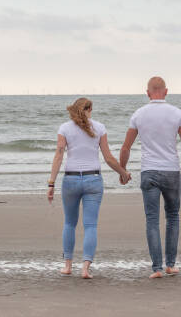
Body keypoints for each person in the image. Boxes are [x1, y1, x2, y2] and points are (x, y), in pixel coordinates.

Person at [120, 77, 181, 278]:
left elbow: (126, 147)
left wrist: (122, 170)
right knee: (172, 217)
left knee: (152, 220)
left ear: (148, 93)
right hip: (171, 171)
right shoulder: (177, 113)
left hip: (149, 172)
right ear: (166, 91)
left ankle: (157, 268)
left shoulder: (138, 114)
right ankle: (170, 265)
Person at [48, 97, 131, 279]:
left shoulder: (65, 128)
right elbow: (108, 158)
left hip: (71, 180)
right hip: (93, 179)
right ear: (89, 109)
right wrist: (123, 173)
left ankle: (67, 266)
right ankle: (85, 268)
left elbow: (58, 156)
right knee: (90, 225)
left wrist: (51, 182)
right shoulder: (99, 127)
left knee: (69, 223)